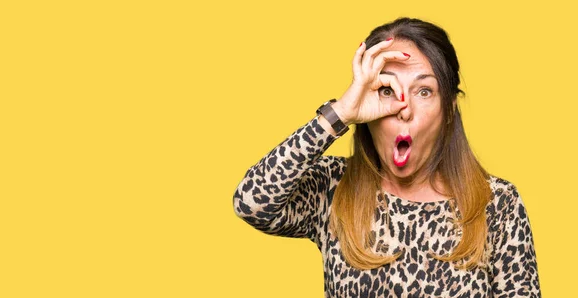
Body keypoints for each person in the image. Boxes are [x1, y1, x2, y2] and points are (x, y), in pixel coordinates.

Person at [232, 17, 541, 297]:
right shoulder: (334, 188)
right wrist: (341, 112)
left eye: (424, 91)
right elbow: (251, 203)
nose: (404, 110)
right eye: (387, 90)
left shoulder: (498, 204)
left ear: (448, 109)